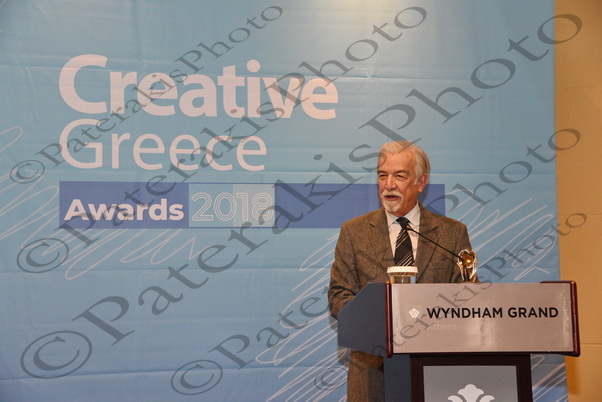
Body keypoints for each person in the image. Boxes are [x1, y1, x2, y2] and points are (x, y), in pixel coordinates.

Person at [328, 140, 472, 401]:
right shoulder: (354, 231)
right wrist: (381, 325)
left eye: (399, 176)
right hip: (372, 370)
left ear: (421, 182)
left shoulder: (452, 233)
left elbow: (467, 297)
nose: (389, 184)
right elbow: (339, 296)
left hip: (436, 368)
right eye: (382, 175)